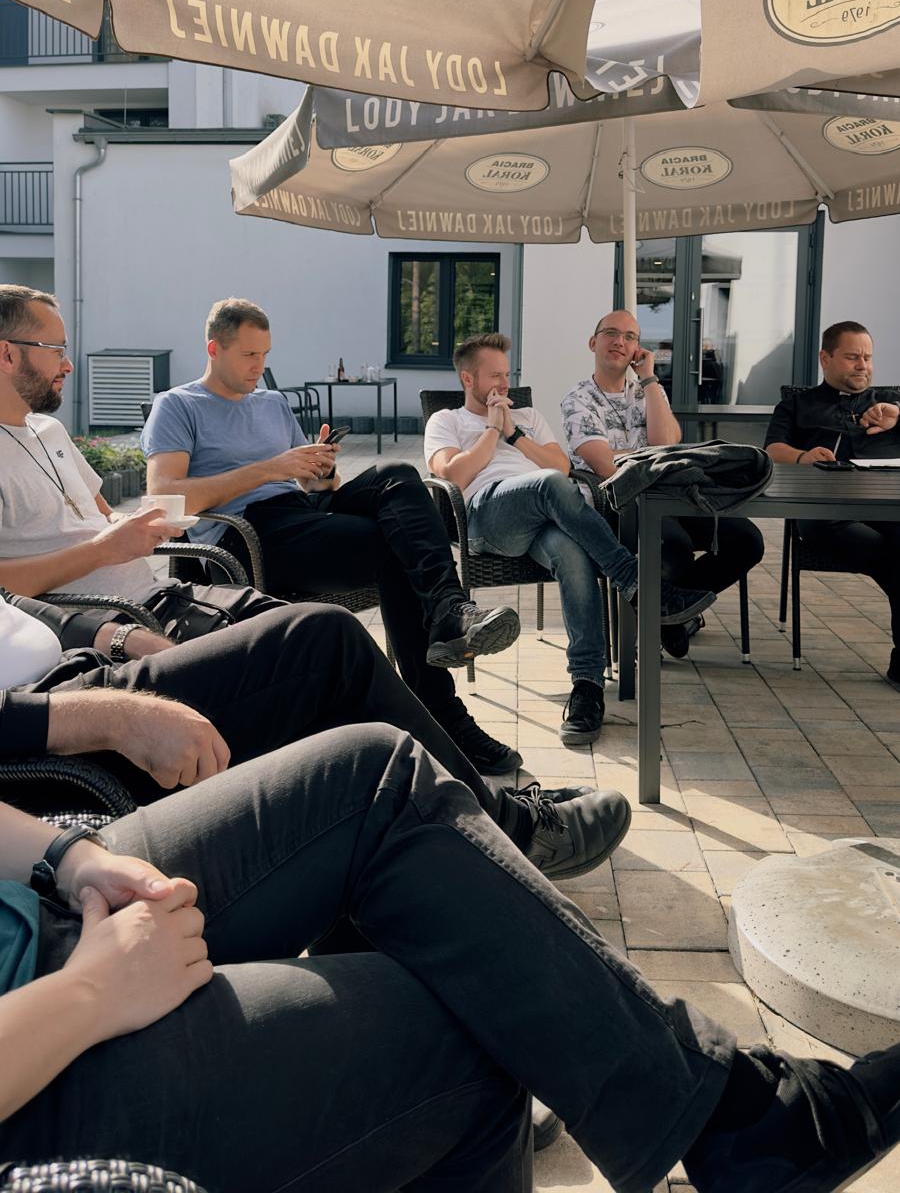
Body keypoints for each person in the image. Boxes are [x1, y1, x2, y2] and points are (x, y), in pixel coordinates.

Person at [1, 734, 898, 1192]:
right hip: (34, 1068)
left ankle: (731, 1119)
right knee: (467, 1031)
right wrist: (91, 992)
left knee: (373, 774)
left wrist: (68, 859)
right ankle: (745, 1127)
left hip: (41, 913)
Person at [0, 588, 628, 883]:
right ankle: (506, 831)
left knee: (391, 504)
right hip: (48, 737)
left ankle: (460, 821)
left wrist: (113, 634)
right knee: (324, 645)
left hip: (79, 673)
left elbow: (11, 596)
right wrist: (112, 717)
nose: (66, 369)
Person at [141, 298, 522, 774]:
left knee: (398, 476)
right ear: (214, 349)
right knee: (397, 548)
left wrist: (319, 470)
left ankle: (449, 612)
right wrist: (270, 468)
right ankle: (444, 711)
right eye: (249, 355)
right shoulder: (178, 405)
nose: (259, 366)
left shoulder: (272, 403)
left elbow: (310, 485)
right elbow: (165, 495)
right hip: (247, 533)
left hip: (301, 512)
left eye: (265, 354)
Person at [424, 333, 713, 747]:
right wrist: (491, 430)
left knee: (572, 554)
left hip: (542, 517)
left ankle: (587, 687)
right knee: (547, 485)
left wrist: (514, 435)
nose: (504, 384)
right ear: (468, 380)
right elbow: (453, 475)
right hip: (488, 518)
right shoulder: (446, 421)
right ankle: (635, 582)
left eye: (506, 375)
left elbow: (560, 466)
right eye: (494, 376)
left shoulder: (528, 416)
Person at [0, 284, 293, 654]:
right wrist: (104, 549)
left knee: (323, 627)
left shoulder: (50, 431)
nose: (68, 365)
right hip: (116, 626)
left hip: (161, 597)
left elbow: (104, 516)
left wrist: (135, 526)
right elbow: (4, 590)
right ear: (7, 355)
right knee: (307, 645)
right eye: (56, 350)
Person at [562, 310, 765, 665]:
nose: (619, 342)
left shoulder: (648, 391)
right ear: (593, 343)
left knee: (746, 540)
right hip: (618, 502)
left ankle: (668, 616)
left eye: (630, 337)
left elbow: (668, 442)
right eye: (610, 333)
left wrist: (650, 379)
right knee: (673, 548)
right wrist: (652, 455)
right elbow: (605, 465)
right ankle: (669, 613)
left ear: (637, 349)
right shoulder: (578, 399)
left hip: (671, 493)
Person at [765, 319, 900, 687]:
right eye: (853, 357)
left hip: (889, 511)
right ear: (825, 358)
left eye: (868, 358)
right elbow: (772, 449)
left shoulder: (889, 403)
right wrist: (803, 457)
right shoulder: (796, 404)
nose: (863, 366)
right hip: (826, 517)